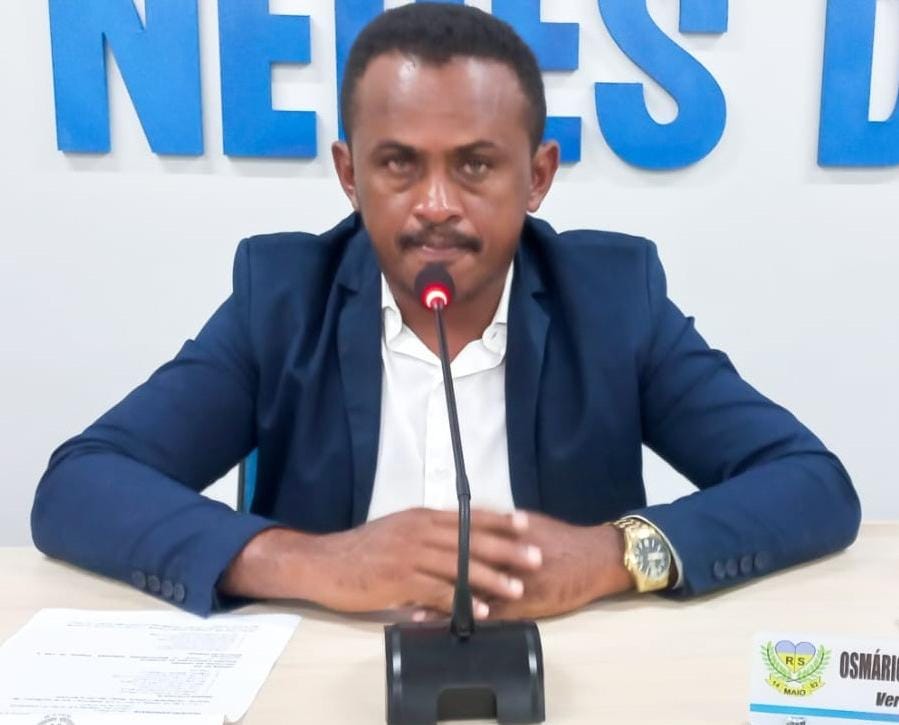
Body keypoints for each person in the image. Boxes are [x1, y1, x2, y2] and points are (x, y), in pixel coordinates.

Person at [31, 3, 860, 620]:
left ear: (536, 176)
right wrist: (313, 562)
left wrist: (611, 555)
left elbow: (810, 483)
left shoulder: (614, 300)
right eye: (398, 164)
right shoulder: (279, 298)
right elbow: (81, 485)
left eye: (474, 165)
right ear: (349, 175)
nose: (435, 204)